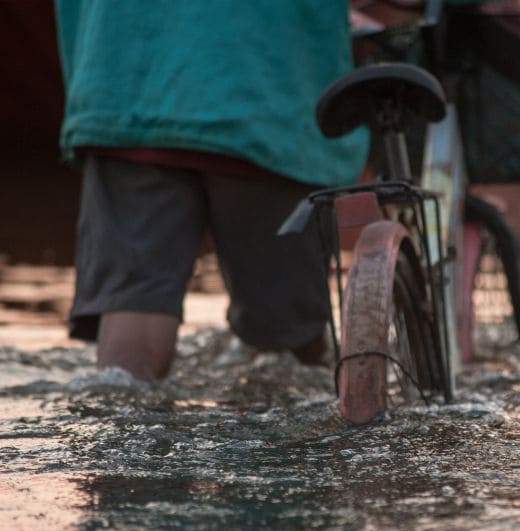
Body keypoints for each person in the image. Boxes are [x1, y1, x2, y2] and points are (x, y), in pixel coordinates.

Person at [55, 1, 369, 381]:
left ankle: (121, 418)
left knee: (133, 307)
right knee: (285, 342)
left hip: (124, 86)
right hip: (269, 99)